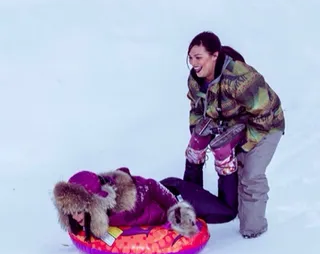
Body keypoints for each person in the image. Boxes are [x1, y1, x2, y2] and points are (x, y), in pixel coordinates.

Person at [183, 31, 285, 239]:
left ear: (214, 55)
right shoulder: (195, 80)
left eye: (198, 57)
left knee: (251, 175)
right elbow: (196, 108)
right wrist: (198, 133)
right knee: (232, 167)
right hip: (234, 124)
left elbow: (263, 114)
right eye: (190, 57)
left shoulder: (240, 79)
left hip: (267, 123)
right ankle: (235, 212)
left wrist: (242, 146)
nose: (193, 62)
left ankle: (253, 232)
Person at [52, 167, 239, 242]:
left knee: (227, 213)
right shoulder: (93, 218)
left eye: (78, 211)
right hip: (154, 201)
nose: (75, 217)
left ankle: (229, 173)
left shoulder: (126, 203)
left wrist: (175, 210)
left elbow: (150, 185)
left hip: (174, 193)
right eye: (71, 213)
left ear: (94, 205)